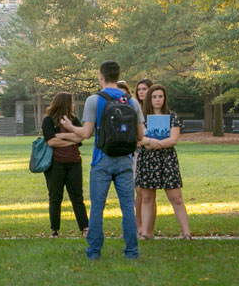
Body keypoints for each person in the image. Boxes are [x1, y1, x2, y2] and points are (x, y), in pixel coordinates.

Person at [59, 61, 144, 260]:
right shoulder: (132, 101)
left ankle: (94, 252)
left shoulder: (94, 100)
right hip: (125, 159)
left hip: (102, 159)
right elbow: (140, 135)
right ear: (118, 75)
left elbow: (86, 133)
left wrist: (70, 127)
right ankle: (131, 252)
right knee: (128, 208)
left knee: (97, 207)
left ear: (100, 76)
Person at [135, 84, 191, 239]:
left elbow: (174, 139)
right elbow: (137, 139)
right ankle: (146, 233)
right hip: (147, 159)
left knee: (176, 197)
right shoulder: (141, 117)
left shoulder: (171, 116)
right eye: (154, 96)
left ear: (164, 98)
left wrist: (157, 143)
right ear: (149, 99)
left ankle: (186, 233)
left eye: (160, 96)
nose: (157, 100)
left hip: (167, 159)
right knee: (147, 198)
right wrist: (150, 141)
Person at [41, 92, 89, 238]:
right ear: (65, 104)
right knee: (55, 196)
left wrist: (62, 135)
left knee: (77, 196)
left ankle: (85, 228)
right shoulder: (49, 121)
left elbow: (81, 136)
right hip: (55, 164)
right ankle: (55, 229)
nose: (73, 105)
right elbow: (51, 141)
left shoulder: (74, 120)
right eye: (71, 102)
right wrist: (72, 141)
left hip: (74, 163)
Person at [133, 78, 154, 235]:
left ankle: (148, 228)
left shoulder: (155, 112)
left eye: (144, 89)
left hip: (151, 154)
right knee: (138, 191)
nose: (141, 91)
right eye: (139, 89)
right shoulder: (134, 108)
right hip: (136, 154)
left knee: (148, 193)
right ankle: (138, 225)